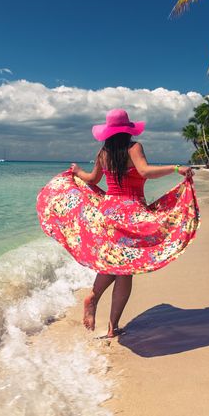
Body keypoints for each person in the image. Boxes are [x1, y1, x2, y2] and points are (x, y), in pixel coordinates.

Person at [65, 109, 192, 337]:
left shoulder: (104, 152)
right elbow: (144, 171)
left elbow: (93, 179)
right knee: (125, 270)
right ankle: (112, 326)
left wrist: (77, 171)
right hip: (130, 213)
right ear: (127, 129)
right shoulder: (134, 147)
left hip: (108, 212)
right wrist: (175, 168)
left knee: (114, 263)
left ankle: (93, 298)